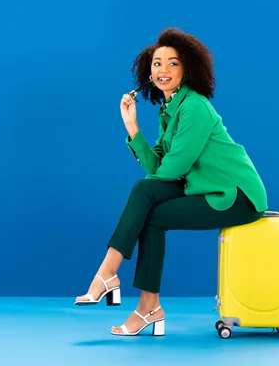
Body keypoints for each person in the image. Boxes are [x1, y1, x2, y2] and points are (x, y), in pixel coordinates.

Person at [74, 28, 268, 336]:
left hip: (234, 196)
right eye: (157, 64)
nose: (163, 70)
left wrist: (151, 189)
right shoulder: (170, 109)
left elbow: (170, 169)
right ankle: (146, 307)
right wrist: (132, 126)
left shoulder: (194, 107)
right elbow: (158, 167)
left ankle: (109, 275)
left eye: (173, 63)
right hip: (204, 187)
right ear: (148, 73)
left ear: (187, 69)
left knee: (146, 197)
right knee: (146, 201)